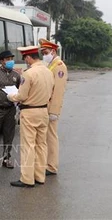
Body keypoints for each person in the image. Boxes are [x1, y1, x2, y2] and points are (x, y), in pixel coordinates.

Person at [7, 45, 55, 188]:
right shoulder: (48, 71)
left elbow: (22, 96)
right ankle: (39, 176)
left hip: (30, 112)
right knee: (41, 145)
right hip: (43, 111)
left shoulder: (29, 74)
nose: (25, 61)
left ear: (28, 57)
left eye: (25, 58)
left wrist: (10, 96)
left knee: (28, 146)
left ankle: (27, 179)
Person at [39, 38, 68, 176]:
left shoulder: (59, 66)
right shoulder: (50, 65)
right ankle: (47, 163)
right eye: (43, 53)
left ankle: (51, 166)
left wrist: (54, 111)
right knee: (45, 137)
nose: (44, 55)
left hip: (51, 108)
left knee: (51, 137)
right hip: (45, 106)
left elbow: (58, 91)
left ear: (53, 51)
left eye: (45, 52)